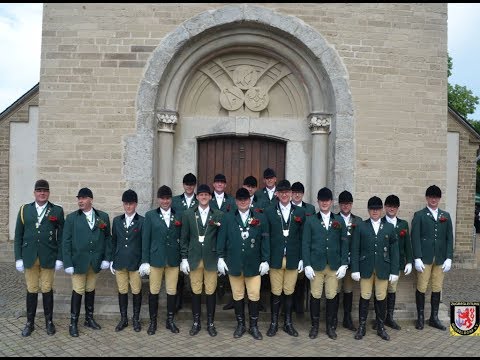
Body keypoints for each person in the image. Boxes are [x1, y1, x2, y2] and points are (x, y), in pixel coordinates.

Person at [217, 187, 270, 340]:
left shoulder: (260, 217)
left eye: (245, 199)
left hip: (253, 264)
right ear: (236, 201)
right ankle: (240, 325)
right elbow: (222, 239)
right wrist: (220, 257)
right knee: (238, 295)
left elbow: (265, 240)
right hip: (234, 264)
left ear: (249, 200)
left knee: (254, 294)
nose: (242, 202)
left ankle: (253, 327)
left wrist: (266, 260)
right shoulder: (228, 218)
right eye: (240, 200)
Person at [14, 179, 65, 337]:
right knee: (31, 289)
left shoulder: (56, 210)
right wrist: (18, 258)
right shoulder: (24, 210)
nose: (42, 193)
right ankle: (30, 323)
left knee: (47, 288)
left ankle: (49, 321)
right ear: (34, 193)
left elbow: (62, 236)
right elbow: (18, 236)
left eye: (45, 190)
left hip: (48, 256)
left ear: (48, 193)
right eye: (39, 190)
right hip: (29, 257)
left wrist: (60, 257)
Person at [63, 187, 112, 337]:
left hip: (95, 261)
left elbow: (107, 239)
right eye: (79, 198)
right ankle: (73, 323)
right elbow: (66, 241)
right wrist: (68, 263)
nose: (80, 201)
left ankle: (89, 319)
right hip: (78, 262)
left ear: (90, 199)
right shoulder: (72, 218)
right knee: (78, 290)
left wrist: (106, 258)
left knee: (90, 289)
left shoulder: (102, 216)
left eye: (83, 198)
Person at [350, 196, 399, 341]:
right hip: (365, 267)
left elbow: (394, 251)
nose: (375, 211)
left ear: (381, 209)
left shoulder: (389, 227)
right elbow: (355, 249)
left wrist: (395, 271)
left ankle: (381, 327)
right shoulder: (361, 226)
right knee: (364, 296)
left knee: (381, 297)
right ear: (368, 210)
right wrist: (355, 269)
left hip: (383, 268)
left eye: (377, 209)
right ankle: (362, 327)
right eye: (372, 209)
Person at [302, 187, 348, 340]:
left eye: (327, 200)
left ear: (331, 202)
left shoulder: (339, 220)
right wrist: (307, 264)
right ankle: (314, 327)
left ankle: (330, 327)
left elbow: (344, 244)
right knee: (315, 295)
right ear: (318, 202)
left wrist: (344, 264)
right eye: (321, 200)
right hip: (316, 265)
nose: (324, 203)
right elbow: (306, 243)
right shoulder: (311, 220)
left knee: (331, 296)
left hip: (334, 265)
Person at [180, 184, 224, 337]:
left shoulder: (218, 214)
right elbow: (184, 238)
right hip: (194, 258)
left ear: (210, 197)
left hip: (211, 259)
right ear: (197, 197)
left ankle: (211, 323)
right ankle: (196, 322)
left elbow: (221, 238)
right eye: (201, 195)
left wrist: (221, 257)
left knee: (211, 291)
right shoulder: (187, 214)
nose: (204, 197)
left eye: (206, 195)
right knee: (196, 291)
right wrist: (184, 258)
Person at [264, 180, 306, 337]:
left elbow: (303, 237)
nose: (284, 195)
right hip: (275, 258)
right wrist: (266, 259)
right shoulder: (269, 211)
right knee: (276, 291)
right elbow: (266, 237)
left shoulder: (300, 212)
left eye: (287, 192)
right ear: (277, 194)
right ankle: (274, 323)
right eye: (281, 192)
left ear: (291, 194)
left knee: (289, 291)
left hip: (293, 259)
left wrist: (302, 258)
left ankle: (288, 323)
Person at [140, 185, 182, 335]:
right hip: (155, 258)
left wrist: (183, 258)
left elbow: (182, 238)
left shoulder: (179, 214)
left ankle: (170, 321)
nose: (165, 201)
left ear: (171, 199)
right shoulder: (150, 215)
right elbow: (146, 239)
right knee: (154, 290)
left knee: (171, 291)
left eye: (168, 198)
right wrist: (145, 260)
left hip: (173, 259)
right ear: (158, 199)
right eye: (162, 198)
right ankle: (153, 322)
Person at [411, 185, 453, 331]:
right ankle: (421, 317)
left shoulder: (445, 216)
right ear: (427, 198)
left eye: (436, 197)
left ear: (439, 198)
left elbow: (449, 238)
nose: (434, 199)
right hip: (425, 259)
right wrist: (417, 257)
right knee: (422, 286)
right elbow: (414, 237)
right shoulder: (420, 215)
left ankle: (434, 318)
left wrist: (449, 257)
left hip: (440, 259)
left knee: (437, 287)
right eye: (431, 197)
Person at [374, 194, 412, 330]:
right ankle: (379, 319)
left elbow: (407, 244)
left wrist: (409, 261)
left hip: (396, 262)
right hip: (382, 262)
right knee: (380, 290)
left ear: (398, 208)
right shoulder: (379, 222)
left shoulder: (403, 224)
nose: (391, 209)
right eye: (389, 206)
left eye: (394, 206)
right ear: (385, 207)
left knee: (392, 289)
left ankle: (389, 317)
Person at [110, 189, 144, 332]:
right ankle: (123, 319)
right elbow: (113, 241)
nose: (128, 206)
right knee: (122, 290)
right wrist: (112, 259)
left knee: (136, 290)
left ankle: (136, 319)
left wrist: (144, 262)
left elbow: (144, 243)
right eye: (126, 204)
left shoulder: (142, 221)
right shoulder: (117, 220)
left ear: (135, 204)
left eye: (131, 203)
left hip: (135, 263)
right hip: (120, 261)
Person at [336, 190, 362, 332]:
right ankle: (333, 318)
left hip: (351, 261)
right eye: (343, 203)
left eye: (348, 203)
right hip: (337, 261)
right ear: (339, 204)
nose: (345, 206)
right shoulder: (334, 219)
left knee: (348, 289)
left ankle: (347, 318)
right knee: (334, 289)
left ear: (351, 204)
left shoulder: (358, 221)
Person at [171, 173, 198, 313]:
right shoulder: (175, 201)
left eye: (192, 184)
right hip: (178, 239)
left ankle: (194, 304)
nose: (189, 186)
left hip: (194, 241)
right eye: (187, 184)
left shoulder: (200, 200)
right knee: (178, 274)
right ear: (183, 185)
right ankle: (177, 301)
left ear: (194, 185)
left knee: (194, 272)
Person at [290, 181, 315, 315]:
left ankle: (299, 306)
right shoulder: (286, 207)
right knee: (289, 278)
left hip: (304, 247)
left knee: (300, 280)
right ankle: (287, 308)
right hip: (290, 247)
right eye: (294, 192)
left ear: (303, 194)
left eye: (299, 193)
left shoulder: (309, 209)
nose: (297, 195)